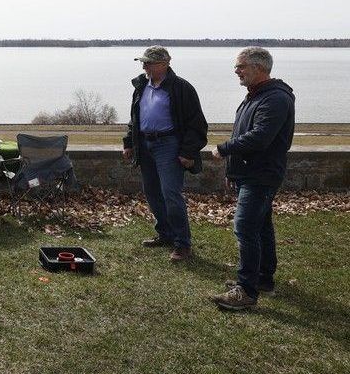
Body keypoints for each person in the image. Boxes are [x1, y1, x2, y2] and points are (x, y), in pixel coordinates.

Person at [210, 47, 295, 311]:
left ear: (258, 68)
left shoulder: (276, 99)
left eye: (241, 66)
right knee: (261, 226)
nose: (237, 70)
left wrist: (224, 149)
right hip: (249, 173)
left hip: (262, 175)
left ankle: (246, 292)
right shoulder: (255, 96)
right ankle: (262, 279)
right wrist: (232, 172)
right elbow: (245, 131)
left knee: (245, 228)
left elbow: (260, 137)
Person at [123, 46, 208, 262]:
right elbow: (135, 117)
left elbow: (197, 124)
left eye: (148, 63)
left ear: (164, 63)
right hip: (145, 144)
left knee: (171, 193)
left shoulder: (181, 88)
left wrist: (188, 151)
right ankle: (165, 233)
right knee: (152, 192)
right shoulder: (142, 85)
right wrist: (129, 143)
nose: (144, 66)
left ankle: (182, 244)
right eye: (143, 63)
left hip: (168, 145)